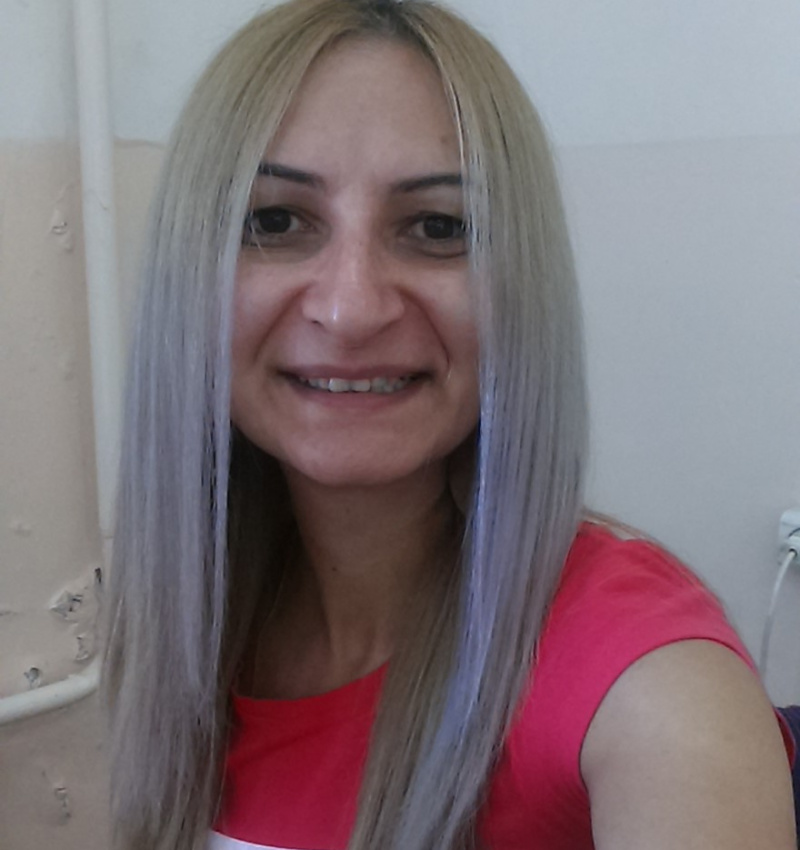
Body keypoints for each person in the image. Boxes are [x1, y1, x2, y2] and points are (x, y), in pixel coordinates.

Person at [103, 1, 796, 849]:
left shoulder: (655, 691)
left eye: (437, 228)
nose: (350, 309)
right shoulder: (188, 621)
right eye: (275, 221)